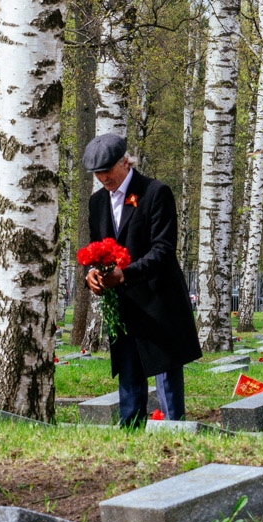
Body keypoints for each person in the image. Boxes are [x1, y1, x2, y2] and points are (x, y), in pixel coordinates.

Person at [82, 134, 202, 428]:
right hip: (123, 302)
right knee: (129, 371)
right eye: (97, 173)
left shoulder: (154, 192)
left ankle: (176, 430)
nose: (103, 178)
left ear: (126, 161)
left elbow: (163, 249)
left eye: (108, 170)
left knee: (166, 376)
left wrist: (127, 273)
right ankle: (130, 430)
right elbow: (94, 248)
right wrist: (92, 275)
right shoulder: (97, 202)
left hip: (158, 299)